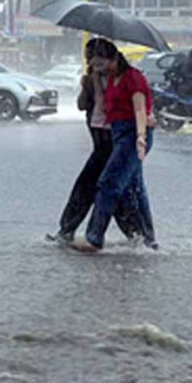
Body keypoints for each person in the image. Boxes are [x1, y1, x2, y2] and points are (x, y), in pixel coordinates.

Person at [46, 39, 140, 244]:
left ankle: (136, 236)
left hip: (117, 142)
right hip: (100, 142)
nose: (91, 62)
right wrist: (87, 85)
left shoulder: (121, 78)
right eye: (89, 58)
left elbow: (119, 107)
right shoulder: (91, 79)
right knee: (93, 187)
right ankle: (67, 230)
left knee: (110, 189)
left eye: (94, 58)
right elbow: (82, 105)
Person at [72, 40, 157, 252]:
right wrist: (91, 80)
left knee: (108, 184)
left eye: (102, 63)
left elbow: (139, 109)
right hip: (119, 134)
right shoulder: (111, 79)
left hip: (133, 135)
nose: (100, 68)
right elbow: (101, 107)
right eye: (95, 64)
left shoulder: (133, 77)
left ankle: (94, 238)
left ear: (114, 58)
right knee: (135, 189)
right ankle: (148, 240)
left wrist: (140, 137)